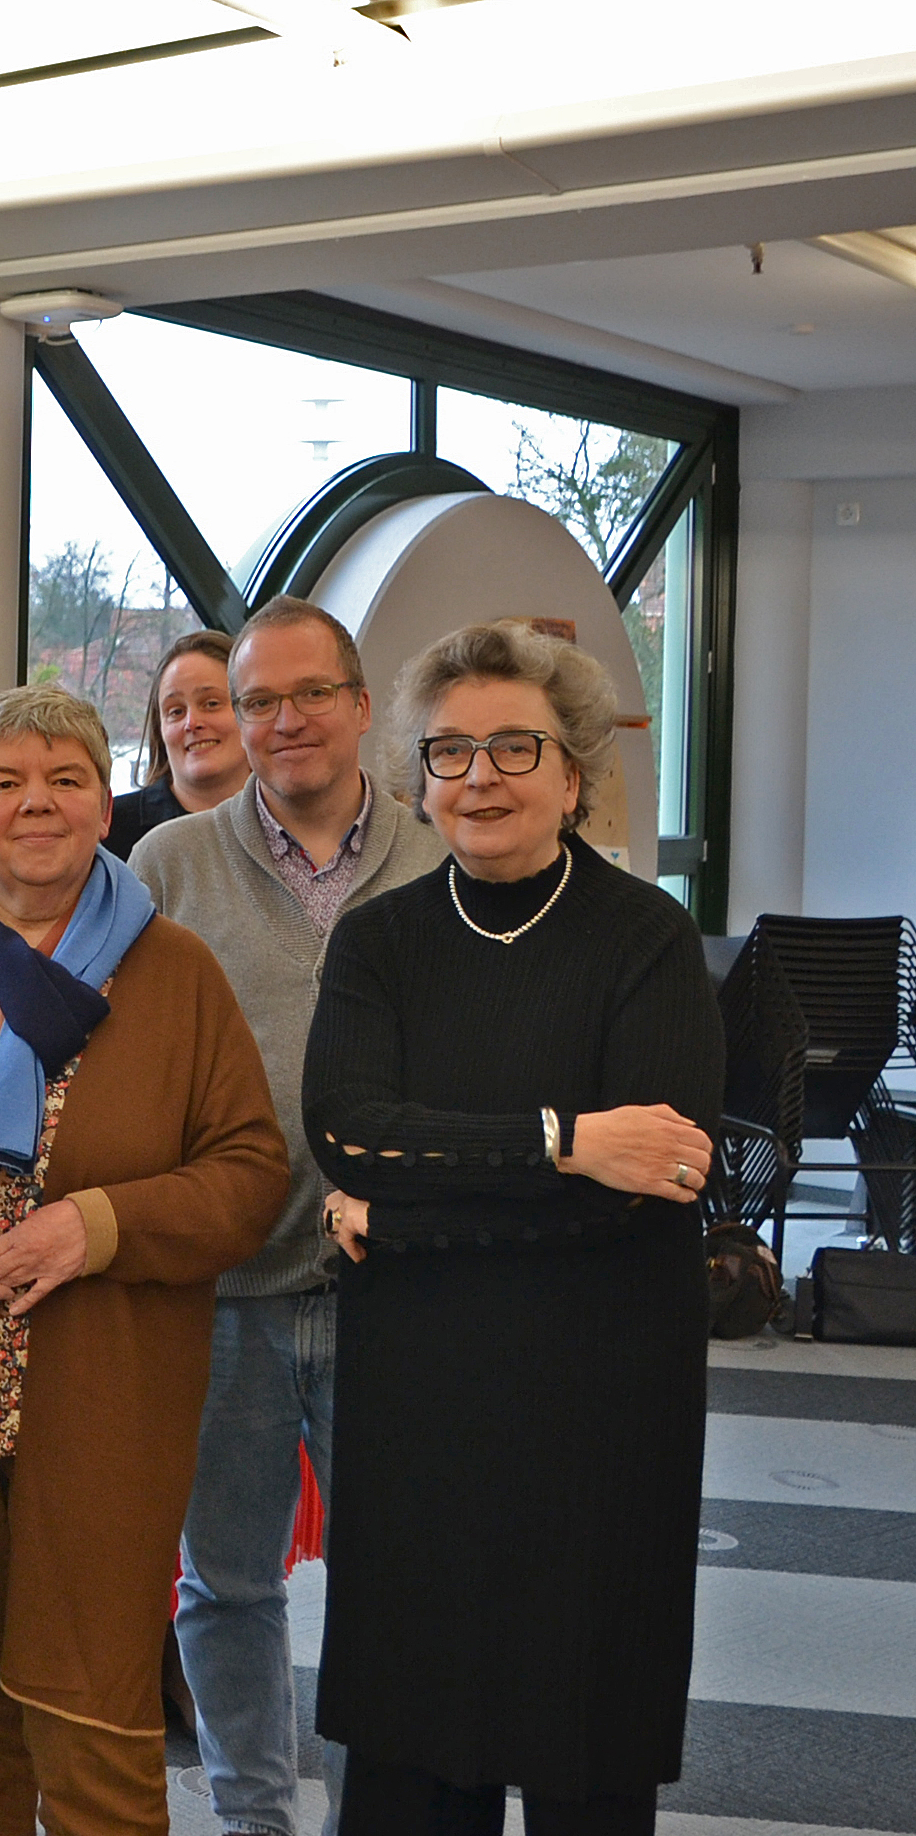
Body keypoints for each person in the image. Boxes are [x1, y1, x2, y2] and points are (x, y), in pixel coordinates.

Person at [304, 622, 724, 1836]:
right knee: (411, 1732)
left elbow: (647, 1184)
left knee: (585, 1730)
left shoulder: (645, 938)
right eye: (448, 751)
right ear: (418, 778)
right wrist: (560, 1139)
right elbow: (350, 1133)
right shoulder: (378, 941)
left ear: (575, 773)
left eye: (513, 747)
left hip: (605, 1394)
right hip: (421, 1391)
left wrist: (400, 1214)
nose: (477, 775)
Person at [0, 684, 286, 1836]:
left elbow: (248, 1176)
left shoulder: (172, 972)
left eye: (67, 779)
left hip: (101, 1397)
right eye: (4, 781)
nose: (35, 803)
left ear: (106, 804)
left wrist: (97, 1227)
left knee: (98, 1740)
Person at [130, 596, 445, 1836]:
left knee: (397, 1588)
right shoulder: (168, 864)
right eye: (257, 700)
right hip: (223, 1288)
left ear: (362, 709)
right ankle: (256, 1817)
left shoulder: (438, 854)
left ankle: (383, 1814)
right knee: (225, 1585)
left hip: (401, 1290)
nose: (284, 720)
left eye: (311, 693)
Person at [108, 628, 249, 859]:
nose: (192, 723)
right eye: (176, 711)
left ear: (250, 709)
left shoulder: (292, 821)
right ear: (159, 729)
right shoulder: (109, 833)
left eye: (211, 703)